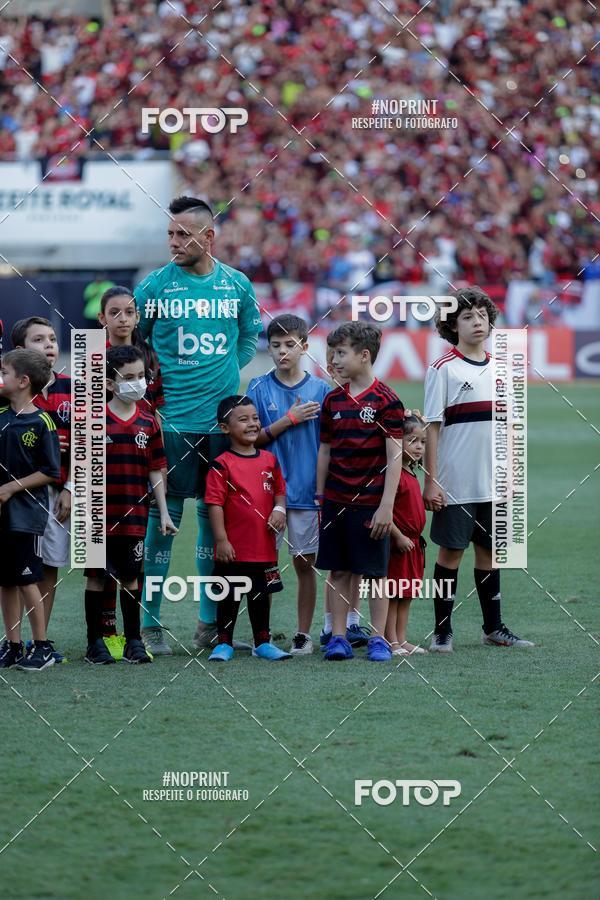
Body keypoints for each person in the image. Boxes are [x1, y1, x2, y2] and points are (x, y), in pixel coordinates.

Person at [135, 196, 263, 656]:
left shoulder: (237, 285)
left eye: (182, 234)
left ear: (209, 237)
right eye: (169, 233)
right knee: (161, 521)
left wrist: (231, 367)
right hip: (169, 424)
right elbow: (137, 343)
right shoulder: (153, 288)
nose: (173, 242)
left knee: (215, 520)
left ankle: (209, 626)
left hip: (219, 427)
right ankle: (149, 626)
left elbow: (250, 334)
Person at [423, 286, 534, 652]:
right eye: (468, 317)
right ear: (452, 326)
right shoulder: (443, 369)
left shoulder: (503, 368)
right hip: (456, 482)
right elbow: (432, 428)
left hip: (496, 481)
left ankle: (494, 628)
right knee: (450, 554)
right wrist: (432, 481)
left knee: (490, 553)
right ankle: (442, 631)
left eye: (482, 316)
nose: (477, 323)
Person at [315, 322, 405, 662]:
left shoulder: (387, 400)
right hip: (336, 500)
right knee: (339, 570)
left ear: (363, 355)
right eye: (333, 353)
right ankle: (338, 637)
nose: (333, 360)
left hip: (371, 504)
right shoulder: (333, 400)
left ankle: (380, 638)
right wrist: (319, 495)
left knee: (376, 573)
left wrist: (386, 506)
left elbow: (394, 456)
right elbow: (325, 450)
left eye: (341, 353)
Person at [82, 346, 177, 665]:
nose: (137, 384)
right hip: (95, 516)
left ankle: (134, 641)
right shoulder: (93, 419)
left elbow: (155, 468)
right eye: (129, 378)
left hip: (135, 516)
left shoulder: (149, 422)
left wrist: (162, 511)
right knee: (96, 577)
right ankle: (94, 643)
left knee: (132, 577)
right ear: (110, 383)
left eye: (141, 377)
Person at [246, 313, 329, 655]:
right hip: (265, 494)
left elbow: (328, 446)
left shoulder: (321, 390)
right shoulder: (257, 387)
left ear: (304, 347)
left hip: (306, 493)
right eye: (276, 345)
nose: (282, 352)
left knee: (303, 565)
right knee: (259, 565)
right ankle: (261, 636)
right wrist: (287, 420)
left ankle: (302, 634)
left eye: (290, 345)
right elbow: (251, 440)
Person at [97, 285, 165, 658]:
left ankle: (133, 635)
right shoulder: (92, 357)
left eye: (129, 312)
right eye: (115, 312)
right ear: (102, 318)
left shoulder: (149, 356)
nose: (123, 319)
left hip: (136, 466)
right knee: (100, 566)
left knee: (129, 561)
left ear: (138, 316)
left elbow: (153, 408)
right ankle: (105, 634)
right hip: (101, 475)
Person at [204, 395, 291, 662]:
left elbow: (280, 492)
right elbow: (215, 504)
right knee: (229, 595)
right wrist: (221, 540)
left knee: (260, 596)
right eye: (243, 420)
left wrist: (279, 510)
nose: (252, 424)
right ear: (224, 428)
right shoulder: (221, 465)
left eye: (255, 418)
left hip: (263, 548)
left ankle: (262, 643)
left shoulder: (269, 460)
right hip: (233, 550)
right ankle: (224, 643)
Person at [11, 317, 72, 662]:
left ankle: (41, 641)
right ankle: (14, 640)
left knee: (48, 566)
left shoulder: (74, 389)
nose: (49, 344)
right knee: (17, 568)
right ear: (19, 350)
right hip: (18, 494)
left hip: (57, 493)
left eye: (52, 338)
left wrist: (71, 488)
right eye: (38, 339)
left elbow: (86, 444)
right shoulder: (9, 394)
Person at [0, 349, 60, 670]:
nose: (0, 377)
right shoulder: (0, 414)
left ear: (23, 382)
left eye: (4, 372)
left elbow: (51, 471)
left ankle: (42, 646)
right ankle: (13, 645)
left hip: (27, 515)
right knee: (5, 581)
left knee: (26, 580)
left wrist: (10, 488)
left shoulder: (42, 421)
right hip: (2, 518)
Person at [384, 411, 428, 656]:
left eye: (422, 442)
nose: (419, 447)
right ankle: (390, 640)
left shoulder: (412, 471)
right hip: (398, 544)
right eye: (412, 441)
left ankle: (402, 638)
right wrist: (398, 536)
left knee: (407, 593)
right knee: (393, 593)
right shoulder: (394, 474)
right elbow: (385, 511)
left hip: (413, 546)